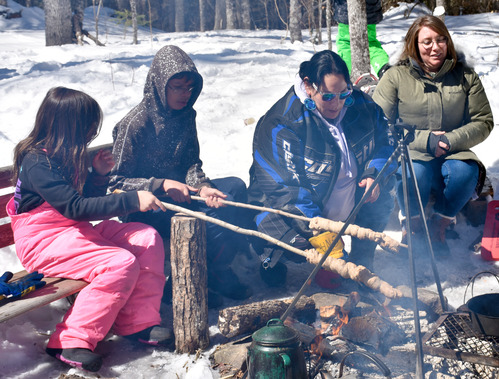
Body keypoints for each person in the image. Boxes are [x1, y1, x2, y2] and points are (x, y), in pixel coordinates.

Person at [7, 87, 172, 372]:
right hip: (42, 242)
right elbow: (75, 207)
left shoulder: (62, 154)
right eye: (87, 128)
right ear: (68, 125)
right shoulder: (37, 162)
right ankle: (69, 340)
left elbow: (81, 202)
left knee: (145, 237)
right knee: (118, 263)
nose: (91, 134)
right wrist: (133, 199)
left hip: (72, 231)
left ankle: (137, 322)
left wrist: (98, 175)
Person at [109, 45, 251, 303]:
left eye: (189, 88)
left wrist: (203, 186)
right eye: (177, 87)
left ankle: (215, 271)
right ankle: (186, 284)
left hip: (179, 197)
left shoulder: (186, 115)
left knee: (235, 190)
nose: (185, 94)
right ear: (159, 84)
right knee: (211, 223)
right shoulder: (135, 124)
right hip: (147, 208)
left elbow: (191, 163)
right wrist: (160, 185)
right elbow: (116, 183)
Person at [247, 50, 397, 287]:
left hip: (344, 200)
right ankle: (272, 258)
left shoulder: (361, 105)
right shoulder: (282, 123)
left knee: (384, 195)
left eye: (343, 94)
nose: (336, 104)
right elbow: (287, 193)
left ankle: (362, 263)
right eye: (327, 96)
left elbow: (387, 142)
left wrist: (374, 174)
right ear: (309, 86)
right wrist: (330, 243)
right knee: (307, 254)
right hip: (291, 212)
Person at [372, 15, 494, 257]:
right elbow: (377, 124)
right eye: (427, 42)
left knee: (465, 173)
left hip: (454, 149)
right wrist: (424, 140)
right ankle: (413, 226)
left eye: (441, 40)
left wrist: (450, 140)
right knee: (413, 175)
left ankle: (440, 223)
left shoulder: (465, 75)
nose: (435, 47)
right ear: (414, 45)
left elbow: (483, 120)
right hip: (411, 150)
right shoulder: (396, 76)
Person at [333, 0, 390, 79]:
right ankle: (384, 67)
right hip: (370, 12)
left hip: (346, 12)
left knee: (345, 43)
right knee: (371, 43)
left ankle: (344, 76)